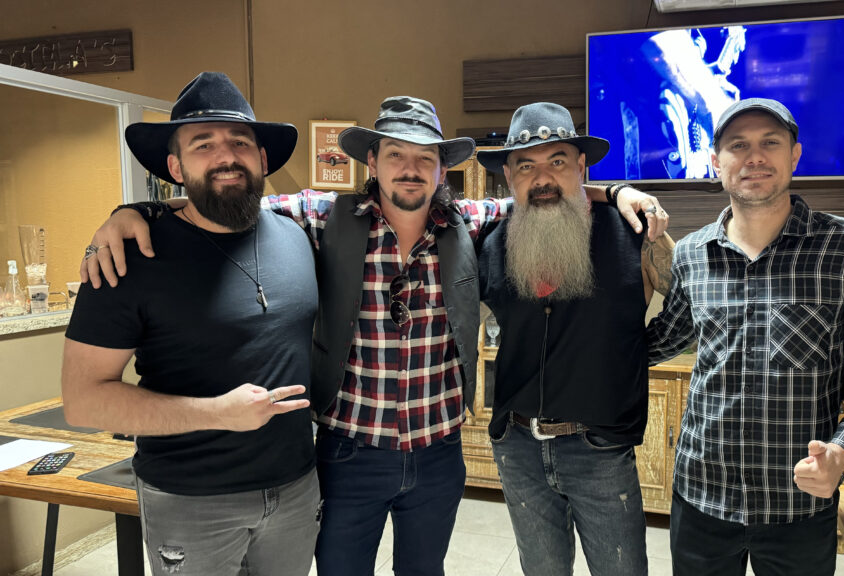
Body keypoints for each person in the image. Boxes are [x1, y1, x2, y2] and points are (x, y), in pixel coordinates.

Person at [83, 95, 669, 576]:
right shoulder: (320, 217)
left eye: (424, 157)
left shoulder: (471, 223)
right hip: (348, 451)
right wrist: (137, 212)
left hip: (439, 450)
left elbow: (548, 195)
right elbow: (227, 201)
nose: (410, 168)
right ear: (373, 162)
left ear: (440, 168)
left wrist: (620, 192)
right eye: (396, 154)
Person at [645, 97, 844, 576]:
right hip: (702, 495)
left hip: (798, 504)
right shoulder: (691, 253)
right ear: (715, 163)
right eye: (738, 145)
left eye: (770, 143)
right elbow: (660, 341)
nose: (754, 157)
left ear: (794, 155)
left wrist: (843, 450)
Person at [62, 72, 321, 576]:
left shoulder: (298, 236)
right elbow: (83, 400)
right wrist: (217, 413)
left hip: (296, 489)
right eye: (203, 144)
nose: (226, 156)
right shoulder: (127, 256)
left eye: (239, 142)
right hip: (190, 501)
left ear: (262, 158)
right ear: (175, 167)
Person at [475, 102, 675, 575]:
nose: (542, 178)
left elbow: (695, 305)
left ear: (581, 166)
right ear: (509, 175)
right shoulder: (492, 243)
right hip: (518, 446)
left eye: (557, 161)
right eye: (527, 166)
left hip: (600, 450)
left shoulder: (634, 233)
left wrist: (634, 354)